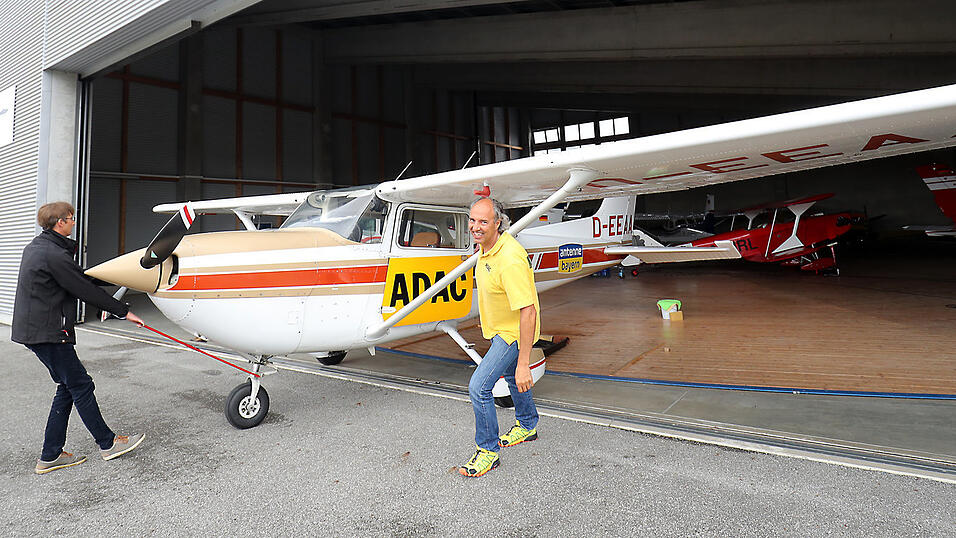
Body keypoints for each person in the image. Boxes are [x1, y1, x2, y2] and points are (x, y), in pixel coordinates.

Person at [12, 201, 146, 475]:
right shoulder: (54, 255)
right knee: (81, 385)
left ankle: (50, 455)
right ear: (60, 223)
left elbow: (79, 277)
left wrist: (122, 277)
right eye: (71, 219)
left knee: (68, 385)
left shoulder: (38, 248)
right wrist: (123, 311)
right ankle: (108, 444)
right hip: (48, 332)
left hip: (36, 331)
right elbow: (82, 287)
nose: (74, 222)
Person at [459, 197, 541, 478]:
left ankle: (488, 451)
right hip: (500, 331)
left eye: (483, 221)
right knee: (508, 378)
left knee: (479, 387)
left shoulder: (509, 258)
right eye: (472, 220)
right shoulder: (487, 248)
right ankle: (528, 424)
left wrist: (523, 363)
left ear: (497, 222)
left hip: (513, 334)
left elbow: (528, 312)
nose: (476, 227)